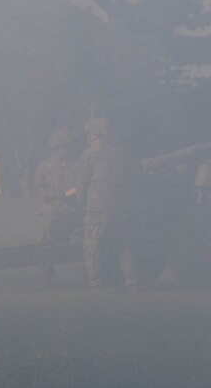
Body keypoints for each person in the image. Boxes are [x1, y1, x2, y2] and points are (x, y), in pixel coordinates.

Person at [68, 117, 140, 290]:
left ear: (95, 134)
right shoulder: (119, 153)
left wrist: (78, 205)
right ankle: (132, 282)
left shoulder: (89, 154)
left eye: (89, 133)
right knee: (123, 246)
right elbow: (134, 176)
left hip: (97, 208)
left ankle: (95, 284)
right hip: (120, 208)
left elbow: (82, 183)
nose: (87, 137)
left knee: (91, 247)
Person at [33, 129, 81, 287]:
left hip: (71, 212)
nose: (65, 151)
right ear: (54, 148)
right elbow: (38, 189)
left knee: (82, 244)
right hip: (50, 212)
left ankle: (87, 277)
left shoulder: (75, 166)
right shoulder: (44, 167)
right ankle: (46, 278)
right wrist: (55, 195)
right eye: (62, 147)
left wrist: (69, 194)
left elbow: (79, 187)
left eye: (67, 148)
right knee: (45, 245)